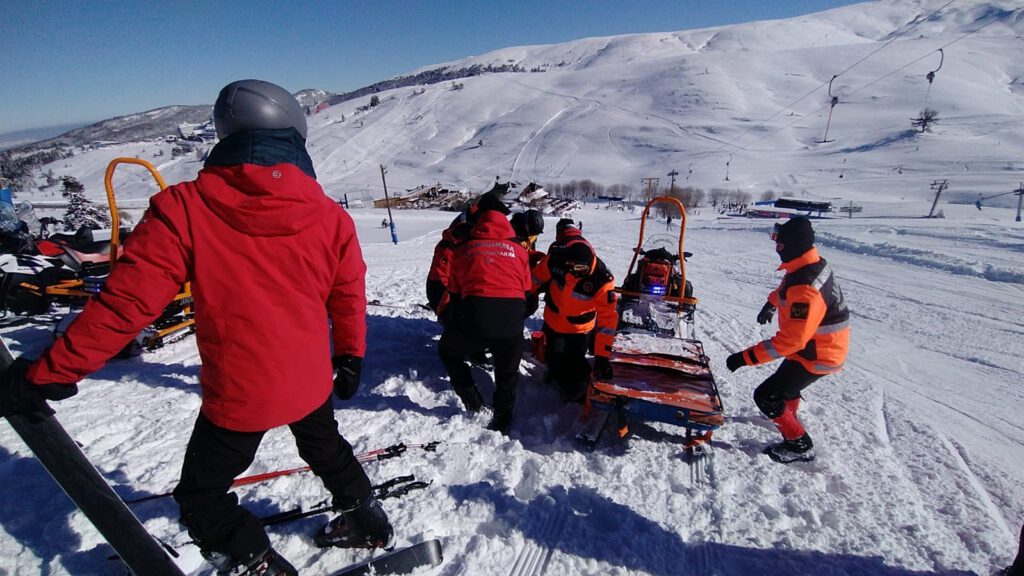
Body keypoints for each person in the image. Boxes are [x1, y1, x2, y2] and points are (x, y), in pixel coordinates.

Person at [0, 79, 393, 576]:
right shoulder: (329, 216)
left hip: (241, 393)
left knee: (202, 496)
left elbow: (125, 306)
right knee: (325, 447)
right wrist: (350, 354)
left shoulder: (184, 207)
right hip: (310, 377)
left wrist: (48, 373)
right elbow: (347, 294)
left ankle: (252, 557)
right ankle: (368, 518)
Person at [725, 216, 850, 464]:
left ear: (793, 245)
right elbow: (786, 289)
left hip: (817, 354)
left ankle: (799, 444)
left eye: (780, 245)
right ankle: (787, 416)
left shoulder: (804, 288)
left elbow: (790, 341)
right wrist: (771, 304)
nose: (776, 248)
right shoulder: (807, 264)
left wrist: (745, 358)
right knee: (785, 388)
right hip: (817, 346)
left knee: (766, 395)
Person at [437, 201, 530, 434]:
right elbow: (527, 290)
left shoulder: (464, 248)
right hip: (511, 322)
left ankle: (473, 402)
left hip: (475, 319)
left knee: (448, 351)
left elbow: (455, 292)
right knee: (507, 371)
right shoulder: (519, 249)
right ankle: (503, 417)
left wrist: (455, 320)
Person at [531, 220, 618, 403]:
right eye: (571, 267)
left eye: (579, 270)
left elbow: (607, 320)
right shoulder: (556, 259)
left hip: (580, 329)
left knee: (575, 360)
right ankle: (560, 380)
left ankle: (582, 390)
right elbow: (535, 279)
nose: (573, 273)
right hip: (553, 323)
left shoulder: (602, 279)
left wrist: (602, 356)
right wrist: (521, 297)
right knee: (555, 359)